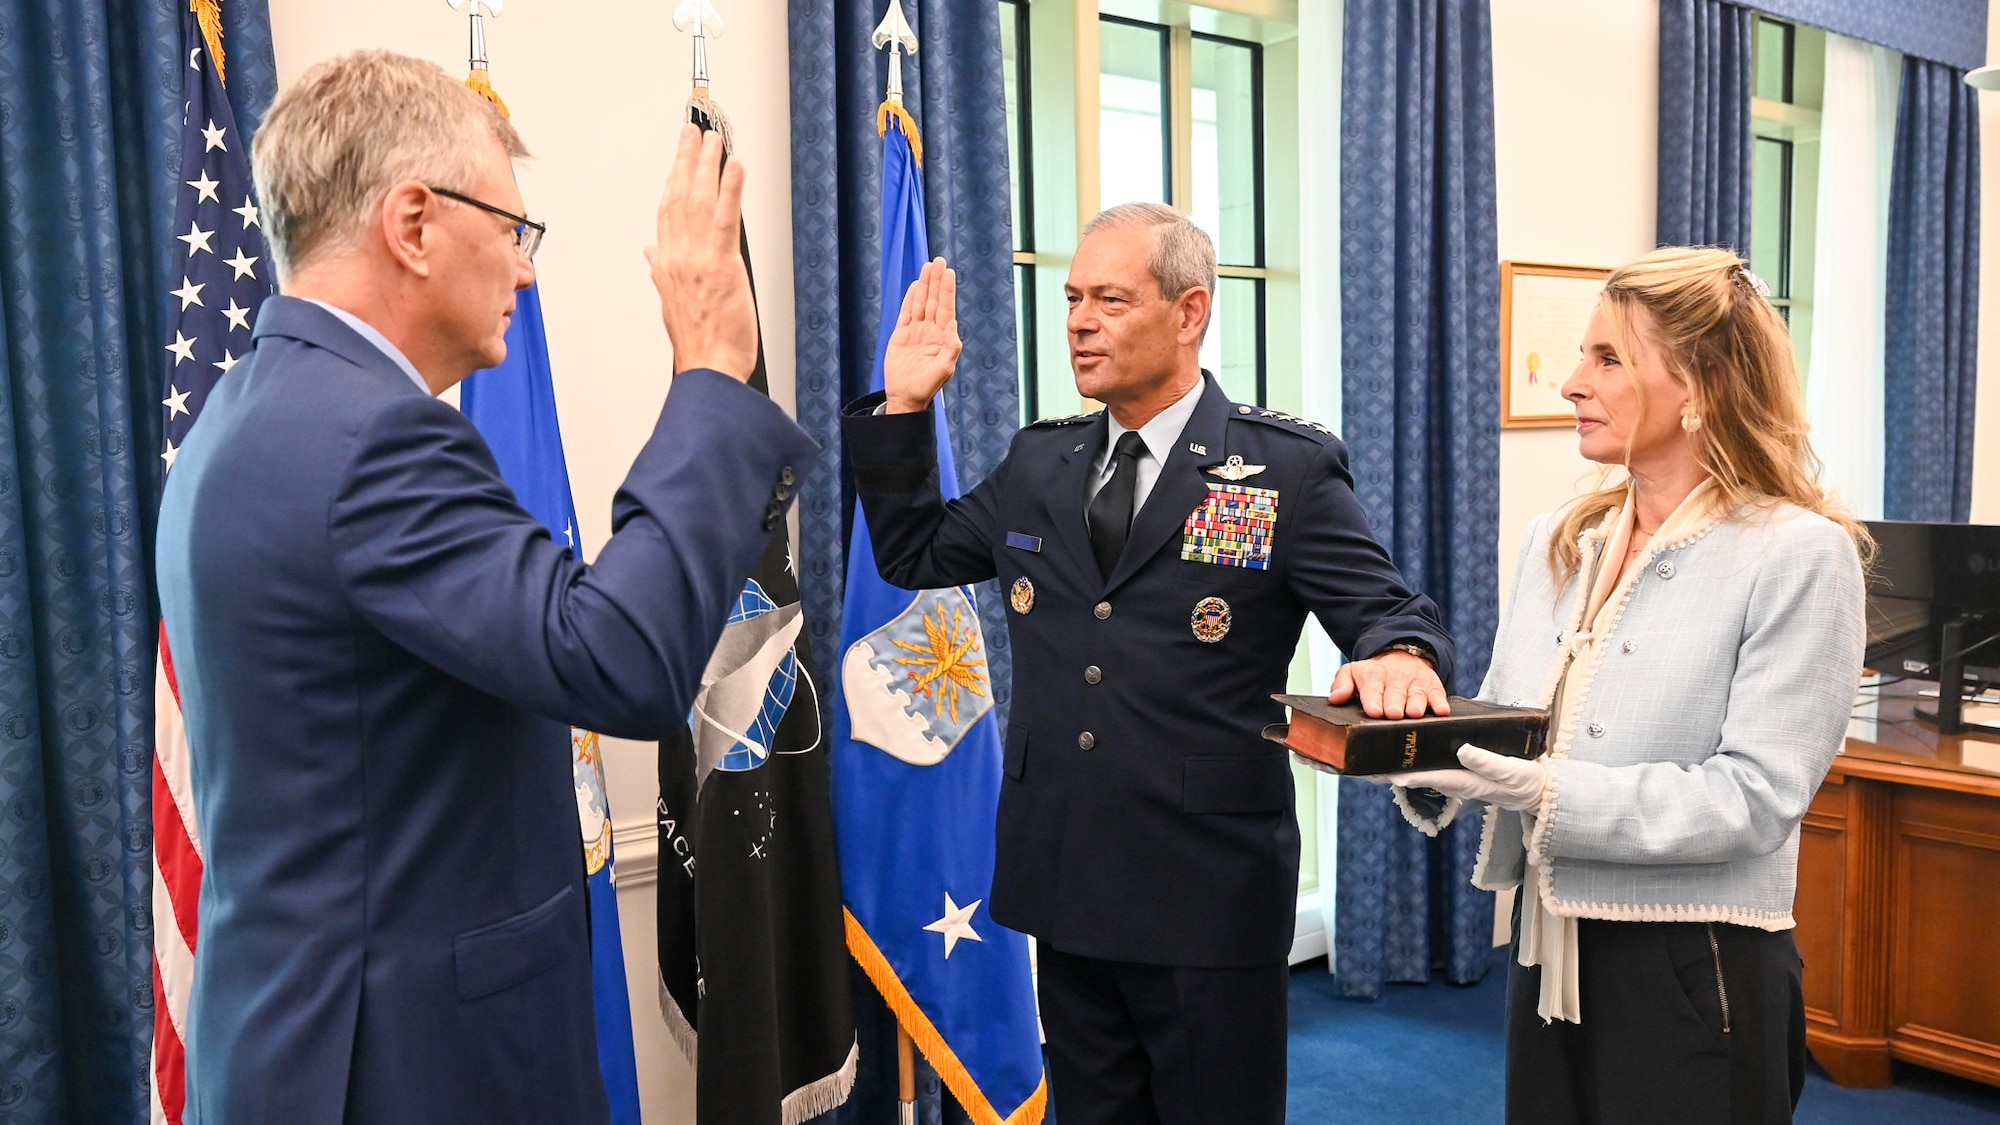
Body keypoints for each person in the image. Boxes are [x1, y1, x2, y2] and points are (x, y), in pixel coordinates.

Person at [154, 52, 813, 1125]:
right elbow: (620, 660)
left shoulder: (248, 411)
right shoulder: (370, 438)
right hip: (408, 1069)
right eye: (513, 231)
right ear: (413, 224)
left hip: (312, 1040)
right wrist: (706, 372)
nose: (524, 271)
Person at [844, 202, 1456, 1125]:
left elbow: (1388, 611)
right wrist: (904, 408)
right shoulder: (1040, 462)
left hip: (1205, 886)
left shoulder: (1280, 470)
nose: (1081, 321)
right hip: (1068, 870)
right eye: (1073, 298)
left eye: (1112, 300)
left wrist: (1402, 656)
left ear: (1189, 312)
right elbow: (915, 553)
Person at [1388, 246, 1869, 1123]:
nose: (1571, 382)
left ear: (1704, 386)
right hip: (1547, 941)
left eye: (1609, 358)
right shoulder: (1558, 539)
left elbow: (1758, 796)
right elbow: (1509, 722)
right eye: (1582, 353)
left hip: (1696, 960)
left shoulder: (1799, 553)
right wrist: (1405, 737)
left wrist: (1550, 788)